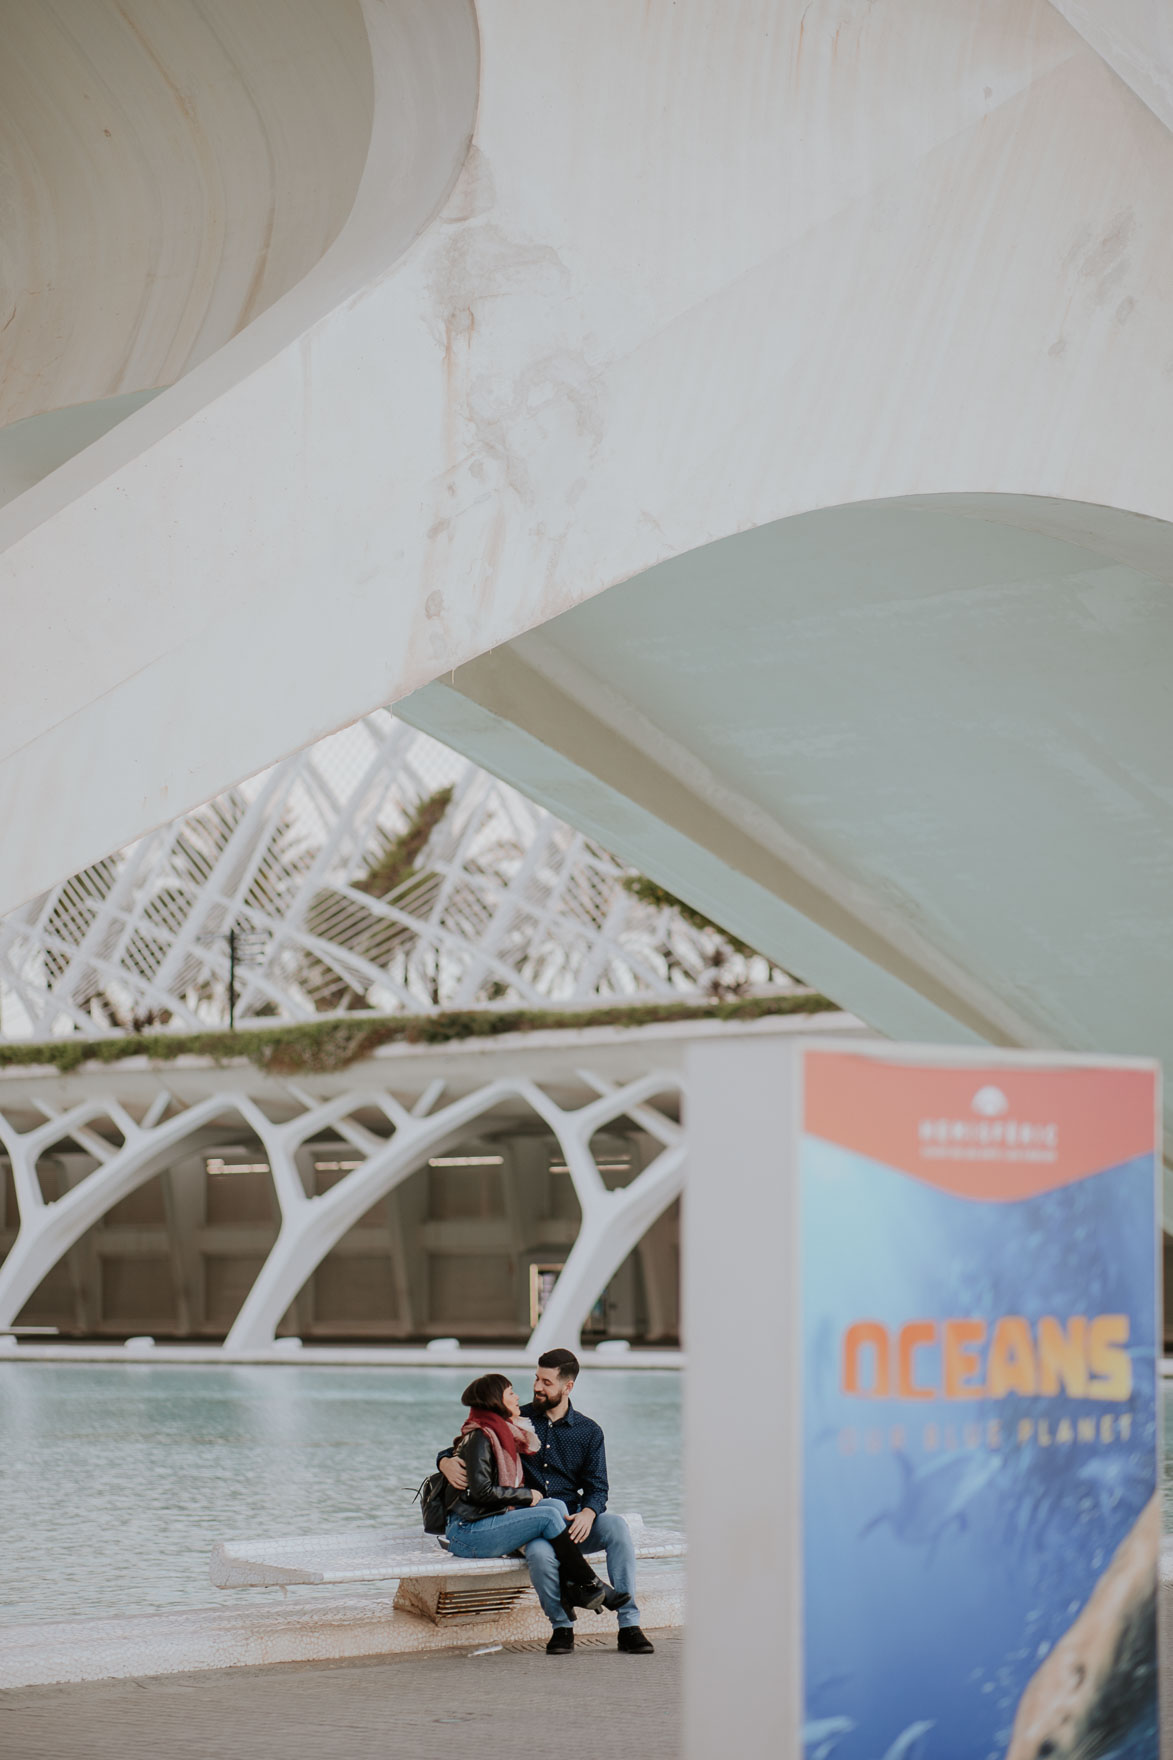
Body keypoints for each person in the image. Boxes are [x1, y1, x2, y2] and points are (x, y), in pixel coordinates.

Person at [438, 1347, 656, 1657]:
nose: (538, 1387)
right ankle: (562, 1627)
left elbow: (598, 1487)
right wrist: (444, 1463)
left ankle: (629, 1626)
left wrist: (589, 1514)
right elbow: (469, 1446)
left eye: (547, 1382)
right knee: (540, 1554)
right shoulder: (515, 1418)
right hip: (529, 1525)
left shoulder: (588, 1431)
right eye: (536, 1379)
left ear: (568, 1387)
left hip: (572, 1522)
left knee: (617, 1527)